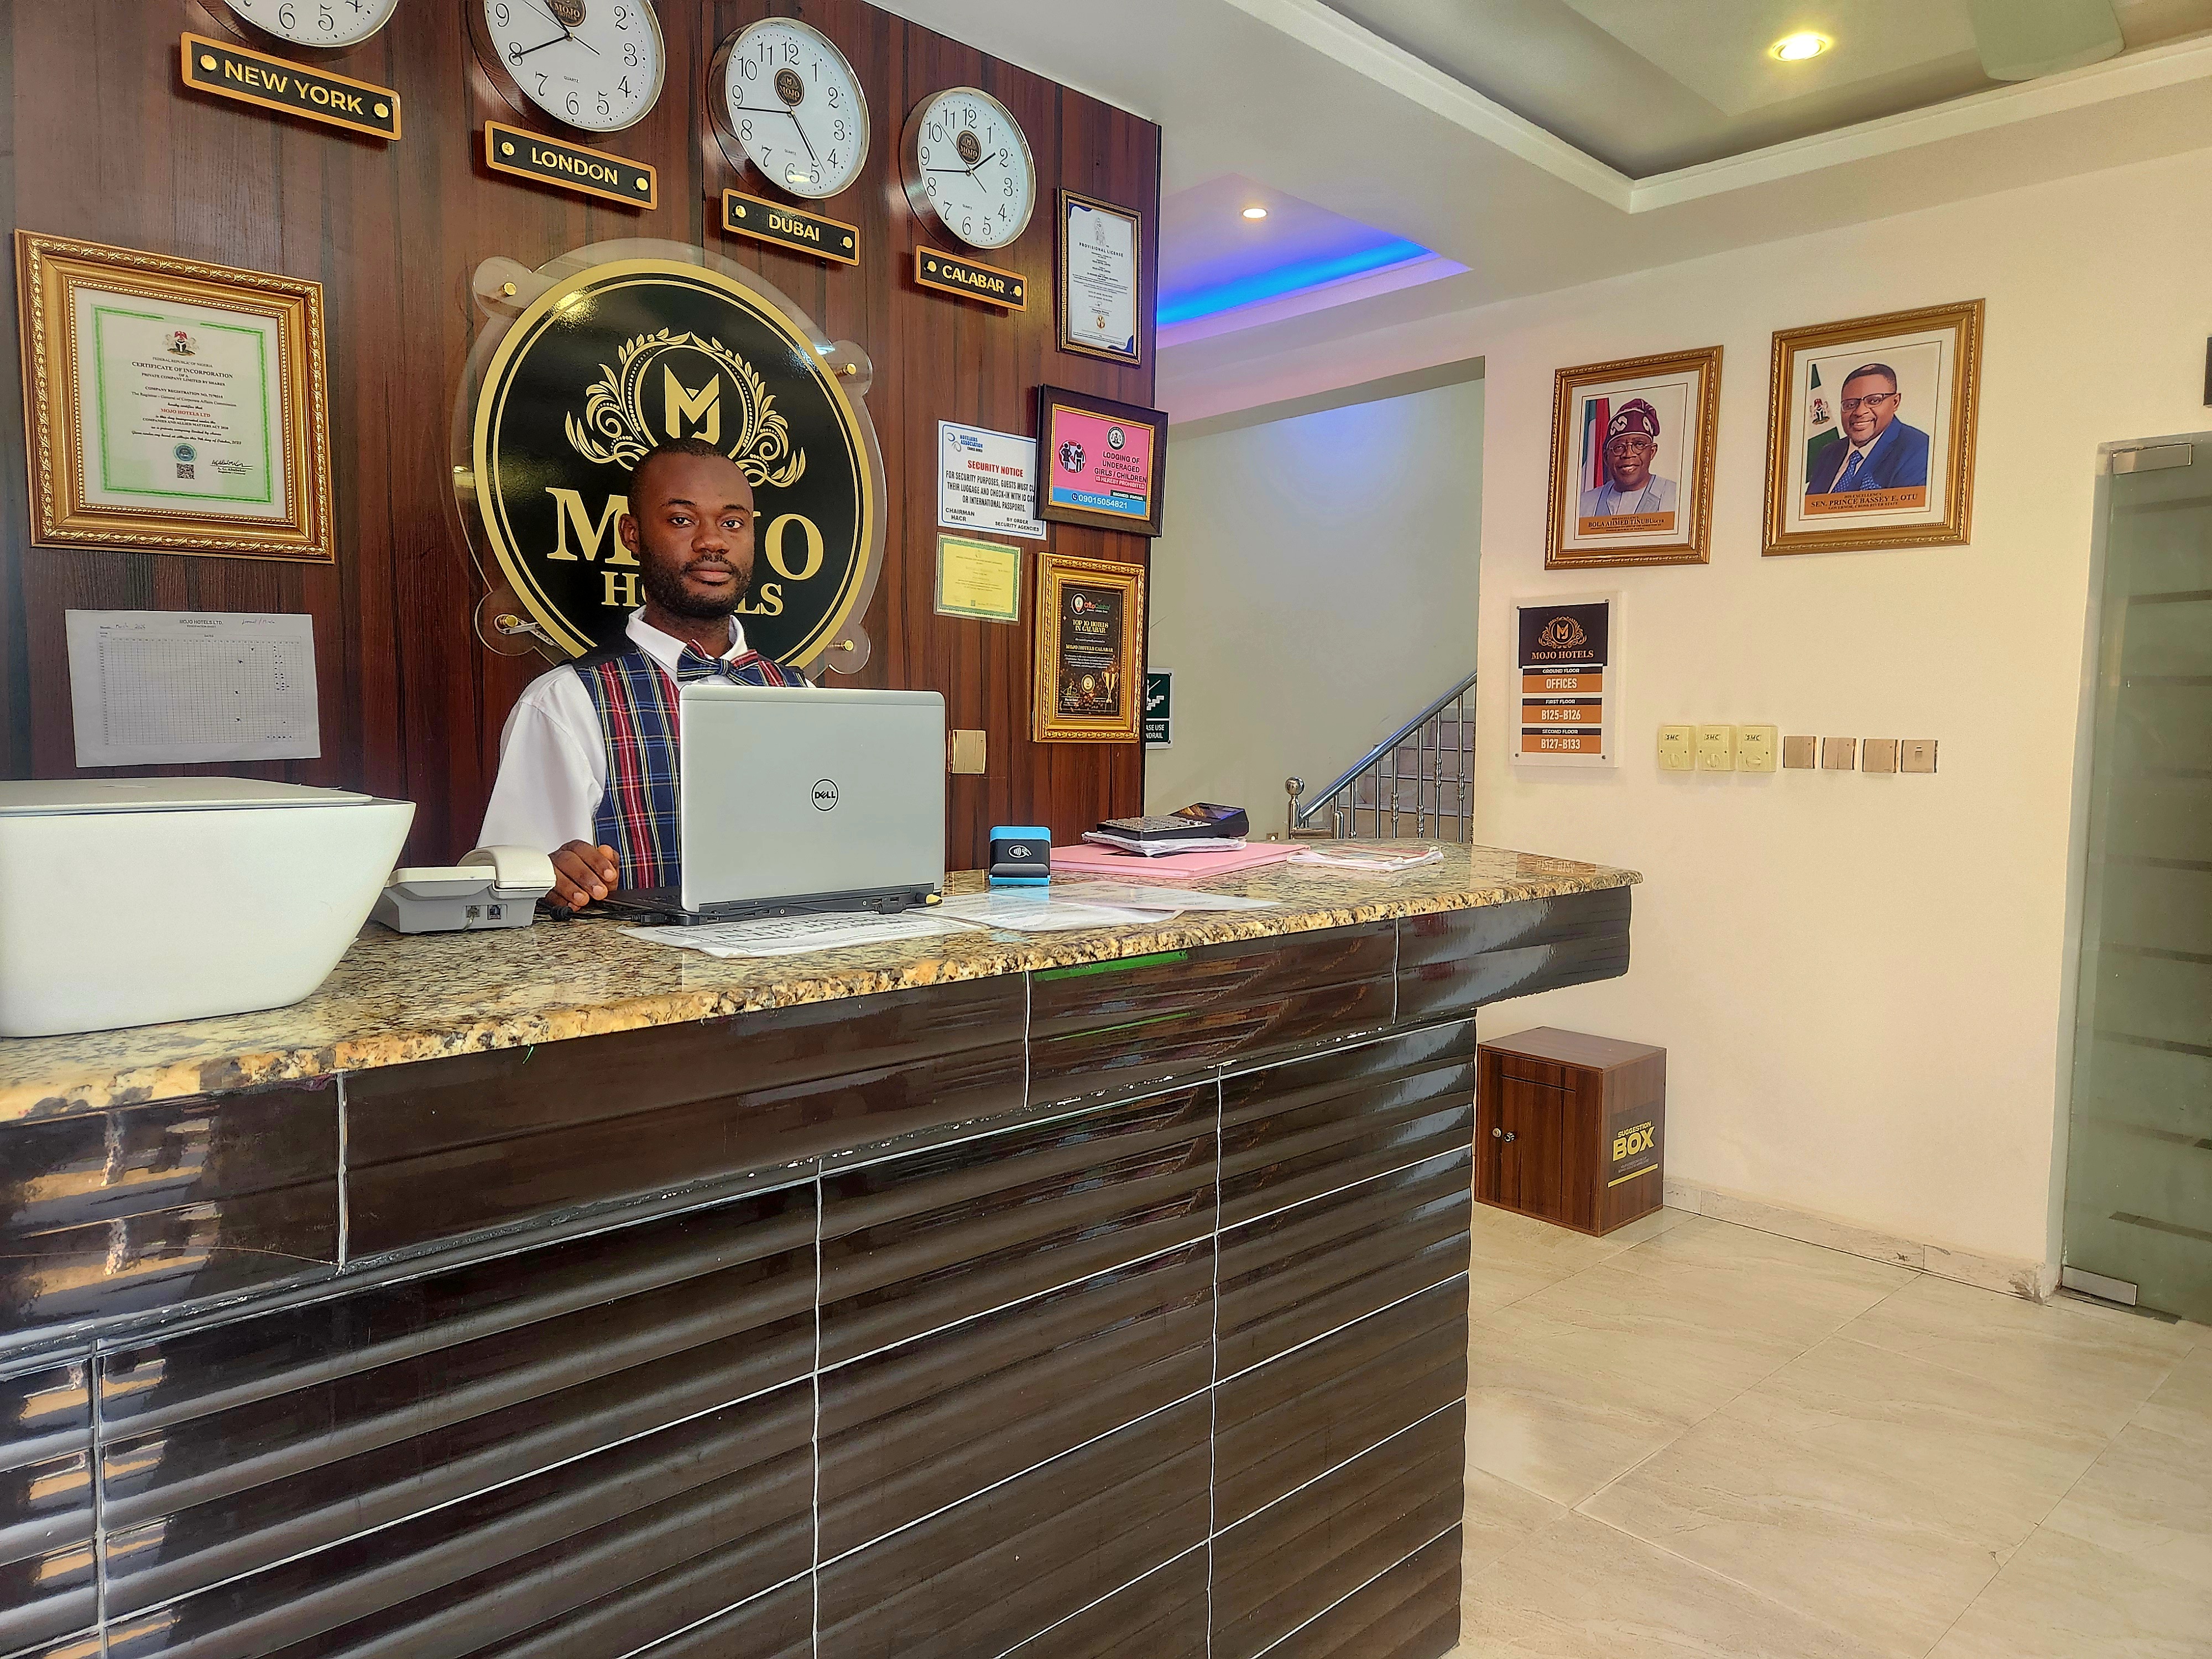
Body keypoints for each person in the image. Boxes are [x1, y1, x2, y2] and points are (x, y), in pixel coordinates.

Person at [477, 437, 808, 909]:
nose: (713, 542)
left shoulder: (802, 694)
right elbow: (508, 897)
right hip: (633, 960)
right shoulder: (566, 703)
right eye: (682, 520)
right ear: (632, 534)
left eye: (732, 523)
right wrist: (542, 879)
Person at [1805, 363, 1930, 496]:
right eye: (1851, 404)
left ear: (1895, 402)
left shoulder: (1919, 449)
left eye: (1874, 401)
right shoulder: (1829, 453)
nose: (1860, 412)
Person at [1579, 398, 1678, 519]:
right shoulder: (1583, 505)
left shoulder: (1677, 497)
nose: (1628, 454)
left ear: (1652, 452)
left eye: (1639, 445)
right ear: (1606, 457)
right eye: (1619, 447)